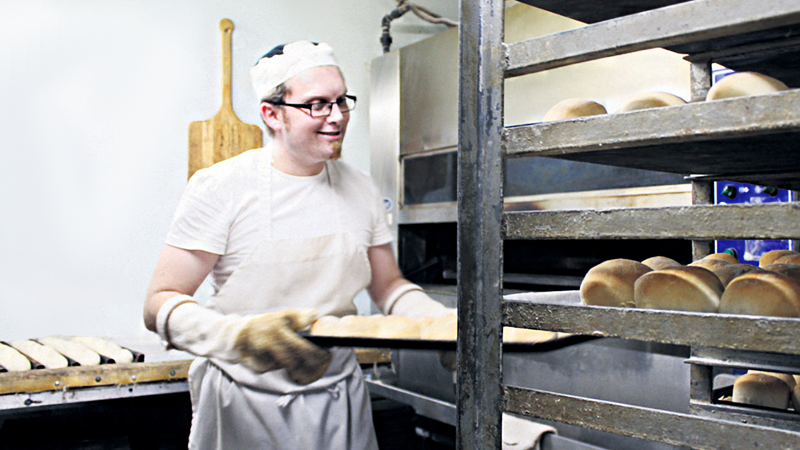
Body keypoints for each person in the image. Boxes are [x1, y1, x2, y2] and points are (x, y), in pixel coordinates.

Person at [143, 40, 452, 450]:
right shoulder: (221, 187)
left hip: (338, 405)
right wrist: (238, 337)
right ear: (272, 115)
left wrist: (436, 322)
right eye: (317, 104)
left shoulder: (359, 187)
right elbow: (159, 302)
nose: (337, 116)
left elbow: (388, 287)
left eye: (342, 101)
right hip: (244, 408)